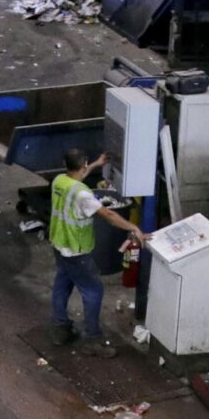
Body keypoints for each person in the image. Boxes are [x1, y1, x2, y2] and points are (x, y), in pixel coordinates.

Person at [48, 147, 144, 357]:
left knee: (62, 284)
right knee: (93, 291)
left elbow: (76, 176)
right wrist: (133, 227)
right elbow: (108, 214)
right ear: (82, 166)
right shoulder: (83, 195)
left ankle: (60, 328)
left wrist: (97, 164)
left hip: (58, 244)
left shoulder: (58, 181)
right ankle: (92, 338)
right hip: (76, 251)